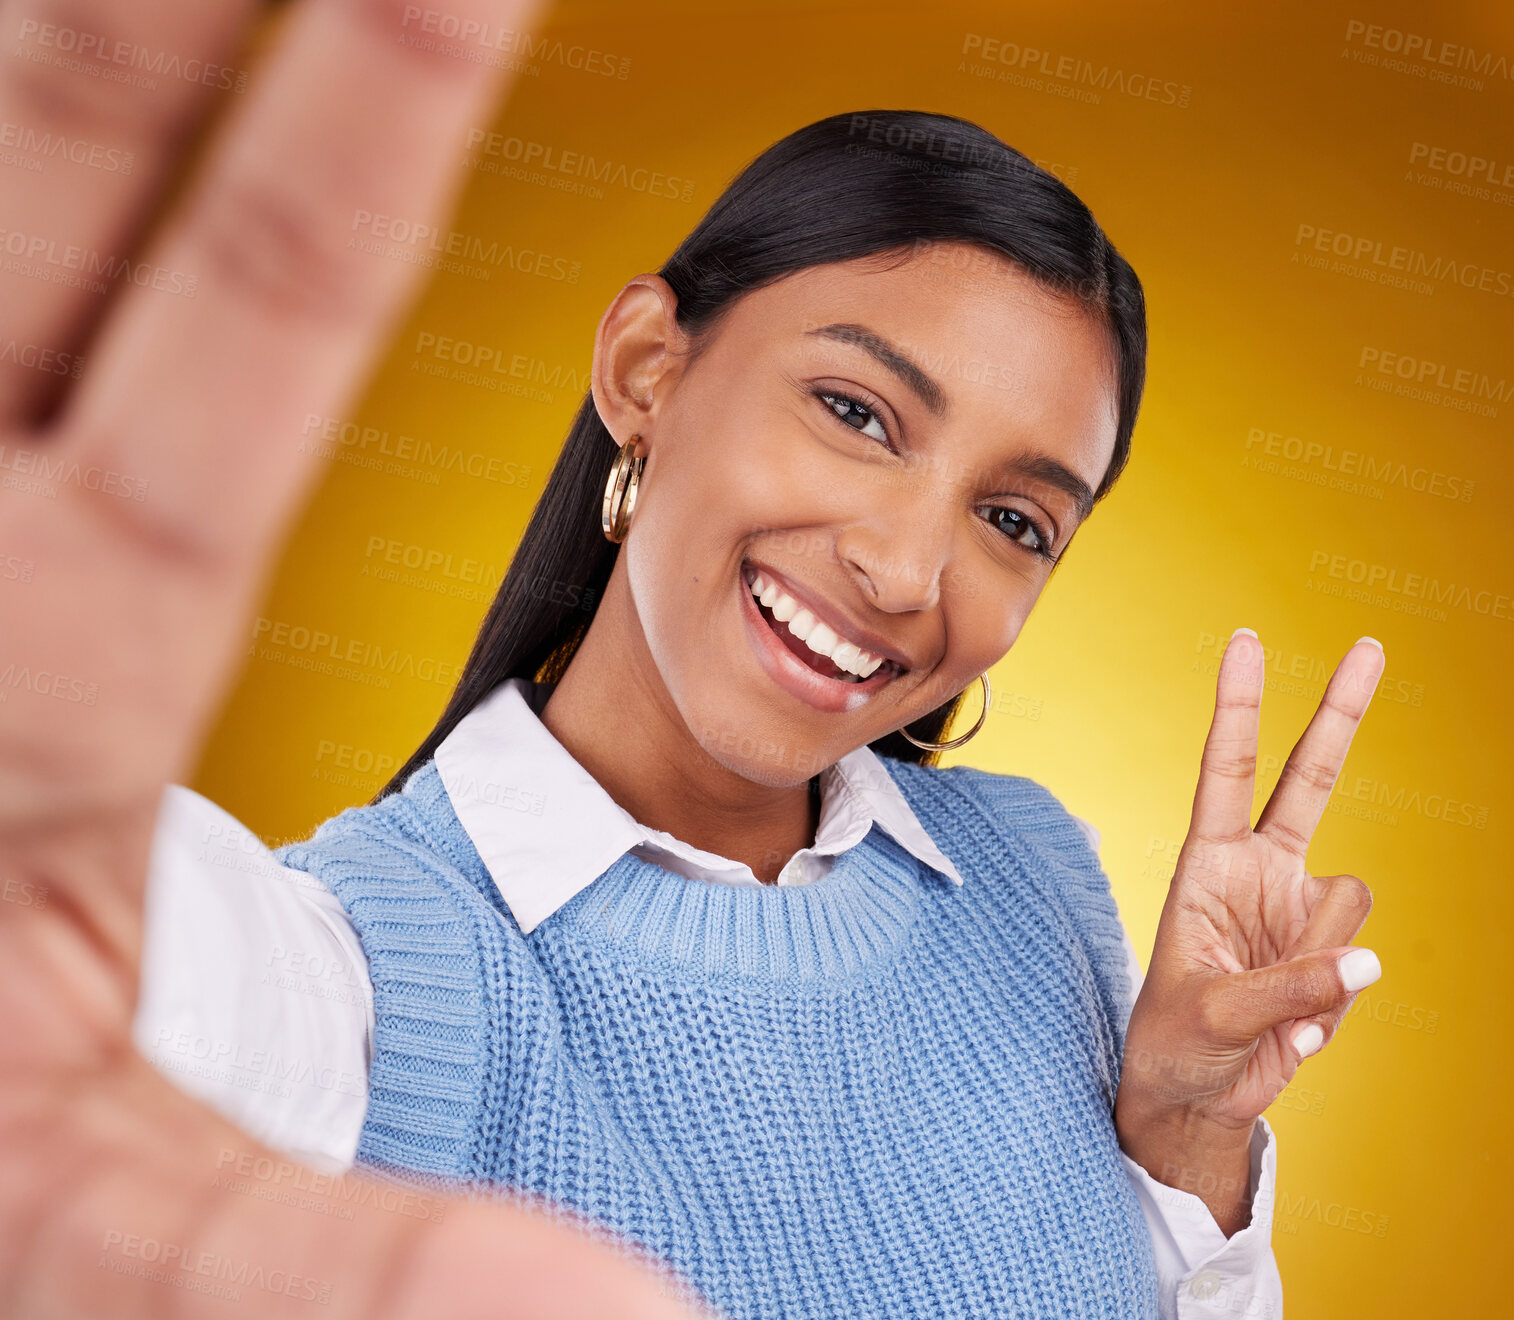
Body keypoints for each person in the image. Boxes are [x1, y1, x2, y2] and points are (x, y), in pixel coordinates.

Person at [0, 2, 1385, 1317]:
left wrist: (1187, 1136)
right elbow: (123, 972)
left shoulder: (1032, 872)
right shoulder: (360, 968)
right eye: (855, 411)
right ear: (646, 371)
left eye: (1012, 519)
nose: (905, 572)